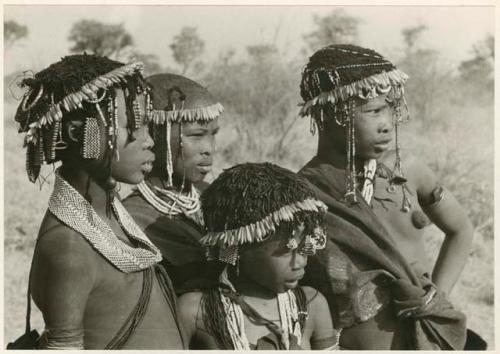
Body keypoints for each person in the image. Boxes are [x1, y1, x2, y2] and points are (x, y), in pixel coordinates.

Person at [297, 44, 474, 349]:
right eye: (374, 110)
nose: (387, 124)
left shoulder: (410, 171)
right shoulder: (305, 192)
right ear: (331, 114)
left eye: (391, 108)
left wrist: (436, 301)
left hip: (430, 334)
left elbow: (461, 230)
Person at [14, 54, 184, 349]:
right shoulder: (68, 247)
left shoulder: (111, 216)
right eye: (134, 125)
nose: (149, 140)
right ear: (80, 134)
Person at [178, 162, 340, 350]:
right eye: (288, 249)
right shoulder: (196, 311)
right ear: (237, 245)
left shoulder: (312, 305)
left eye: (306, 246)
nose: (301, 262)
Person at [122, 73, 224, 294]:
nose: (209, 148)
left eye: (213, 135)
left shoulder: (212, 196)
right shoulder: (134, 217)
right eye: (197, 136)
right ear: (156, 135)